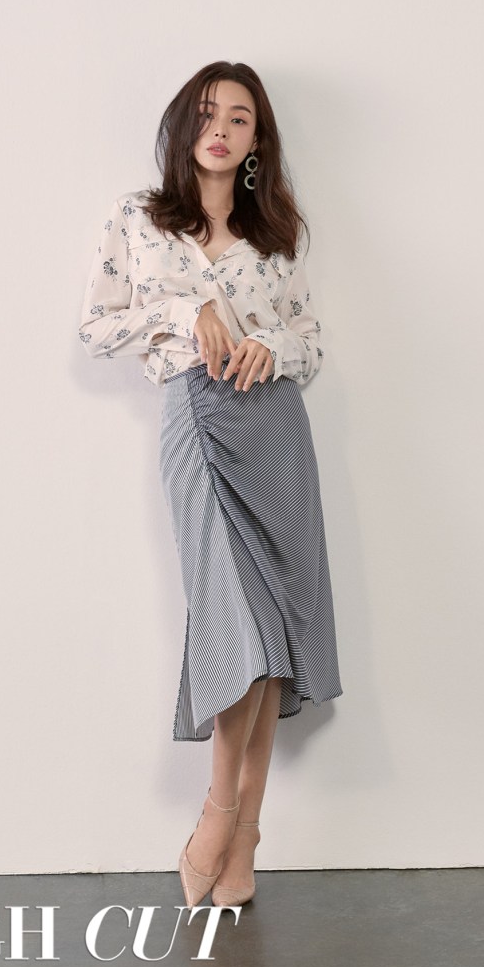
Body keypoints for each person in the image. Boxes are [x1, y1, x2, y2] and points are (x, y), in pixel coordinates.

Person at [78, 61, 343, 908]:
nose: (220, 129)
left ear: (257, 139)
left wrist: (274, 345)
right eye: (205, 113)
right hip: (196, 418)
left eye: (238, 117)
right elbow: (95, 324)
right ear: (182, 126)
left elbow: (309, 338)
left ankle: (242, 833)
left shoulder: (275, 234)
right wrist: (184, 312)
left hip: (274, 429)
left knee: (271, 635)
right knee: (238, 624)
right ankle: (221, 812)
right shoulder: (140, 217)